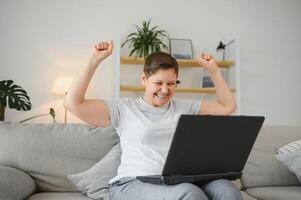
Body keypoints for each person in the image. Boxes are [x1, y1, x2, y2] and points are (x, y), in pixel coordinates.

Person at [64, 40, 242, 200]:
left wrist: (213, 70)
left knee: (227, 190)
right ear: (144, 79)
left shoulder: (184, 107)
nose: (165, 90)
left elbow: (227, 106)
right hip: (131, 183)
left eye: (171, 83)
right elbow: (73, 104)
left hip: (177, 181)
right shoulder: (124, 108)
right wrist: (94, 60)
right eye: (158, 83)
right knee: (190, 193)